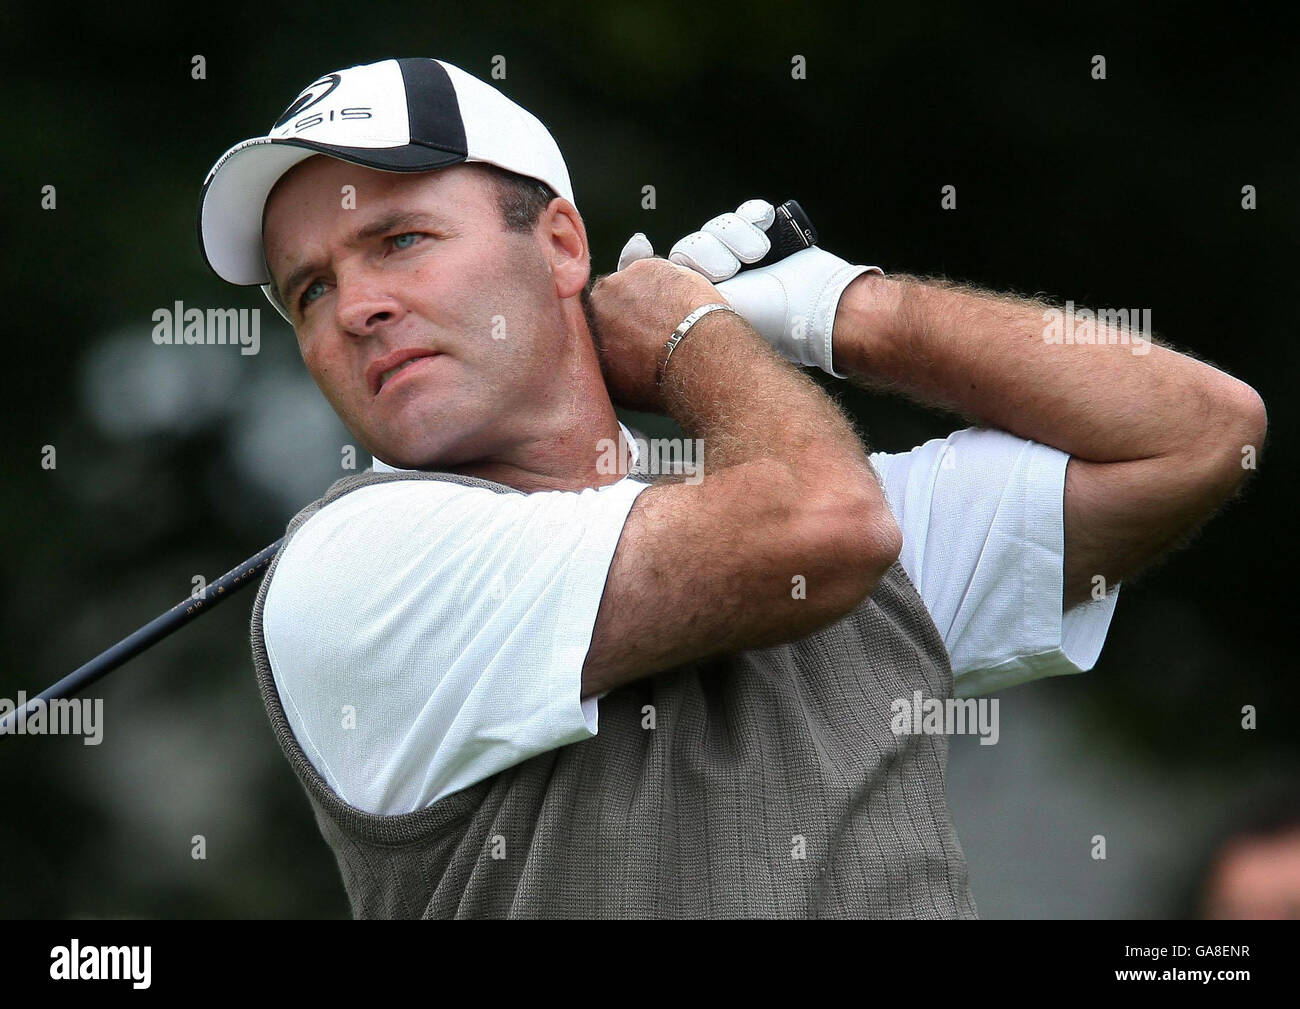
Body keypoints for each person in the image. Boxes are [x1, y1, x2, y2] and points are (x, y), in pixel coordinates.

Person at [197, 57, 1267, 918]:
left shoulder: (812, 507)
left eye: (401, 240)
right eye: (312, 288)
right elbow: (821, 527)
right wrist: (688, 340)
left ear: (561, 243)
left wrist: (842, 312)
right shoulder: (351, 566)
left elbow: (1198, 432)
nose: (358, 307)